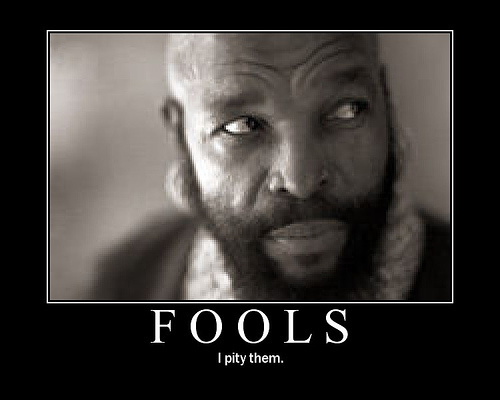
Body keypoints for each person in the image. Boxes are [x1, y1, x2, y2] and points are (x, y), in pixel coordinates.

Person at [91, 32, 451, 301]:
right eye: (242, 126)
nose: (300, 180)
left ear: (387, 107)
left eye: (347, 110)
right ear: (179, 135)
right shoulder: (127, 284)